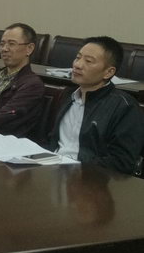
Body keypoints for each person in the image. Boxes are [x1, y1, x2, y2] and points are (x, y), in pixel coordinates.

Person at [48, 37, 144, 174]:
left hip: (90, 178)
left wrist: (75, 167)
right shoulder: (67, 95)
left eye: (88, 61)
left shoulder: (125, 107)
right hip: (53, 169)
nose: (77, 65)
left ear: (108, 72)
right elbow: (52, 139)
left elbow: (122, 162)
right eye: (78, 58)